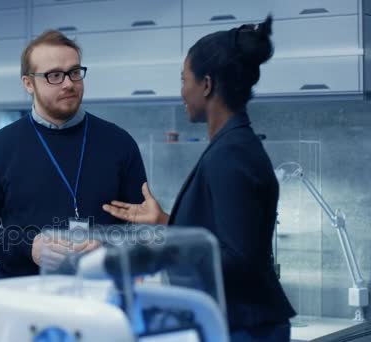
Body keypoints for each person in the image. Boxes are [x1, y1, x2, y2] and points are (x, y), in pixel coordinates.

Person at [102, 16, 295, 341]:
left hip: (245, 326)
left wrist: (155, 253)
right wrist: (165, 222)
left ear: (206, 85)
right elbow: (222, 238)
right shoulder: (231, 145)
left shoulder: (232, 152)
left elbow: (238, 257)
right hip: (238, 320)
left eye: (184, 80)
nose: (182, 92)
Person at [0, 30, 147, 279]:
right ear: (28, 83)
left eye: (74, 72)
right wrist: (29, 246)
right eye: (54, 76)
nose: (69, 83)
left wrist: (108, 246)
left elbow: (140, 228)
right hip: (24, 297)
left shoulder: (119, 142)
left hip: (100, 294)